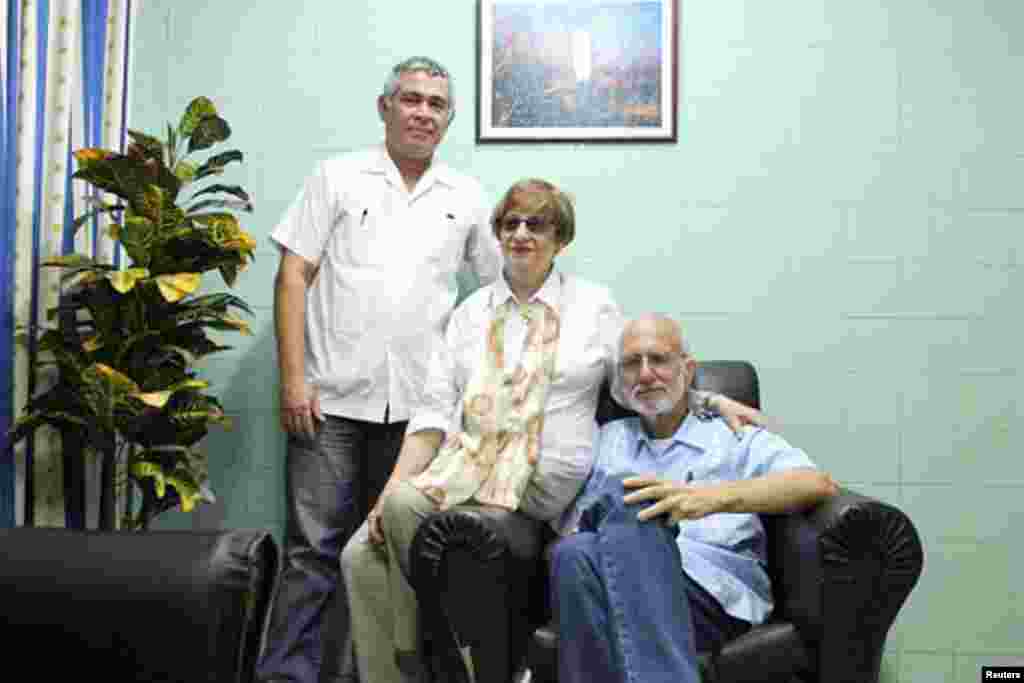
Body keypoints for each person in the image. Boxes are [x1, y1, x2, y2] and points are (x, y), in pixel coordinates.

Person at [339, 180, 766, 683]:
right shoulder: (470, 315)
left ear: (560, 238)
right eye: (510, 223)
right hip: (465, 466)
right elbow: (433, 416)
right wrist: (385, 495)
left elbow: (637, 379)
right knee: (360, 553)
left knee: (404, 510)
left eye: (536, 224)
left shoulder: (592, 306)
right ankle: (407, 671)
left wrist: (707, 398)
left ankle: (434, 655)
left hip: (542, 481)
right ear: (498, 234)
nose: (521, 234)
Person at [259, 56, 502, 683]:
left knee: (392, 557)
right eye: (411, 99)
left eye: (436, 104)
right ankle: (288, 676)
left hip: (422, 416)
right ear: (385, 107)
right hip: (330, 402)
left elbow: (499, 294)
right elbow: (293, 276)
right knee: (313, 552)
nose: (423, 112)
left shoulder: (467, 198)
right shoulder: (336, 178)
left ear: (448, 120)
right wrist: (292, 379)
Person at [551, 314, 839, 683]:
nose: (644, 374)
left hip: (708, 593)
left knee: (631, 503)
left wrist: (708, 498)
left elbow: (816, 484)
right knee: (573, 553)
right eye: (631, 364)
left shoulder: (731, 435)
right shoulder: (607, 440)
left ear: (687, 370)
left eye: (658, 360)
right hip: (610, 578)